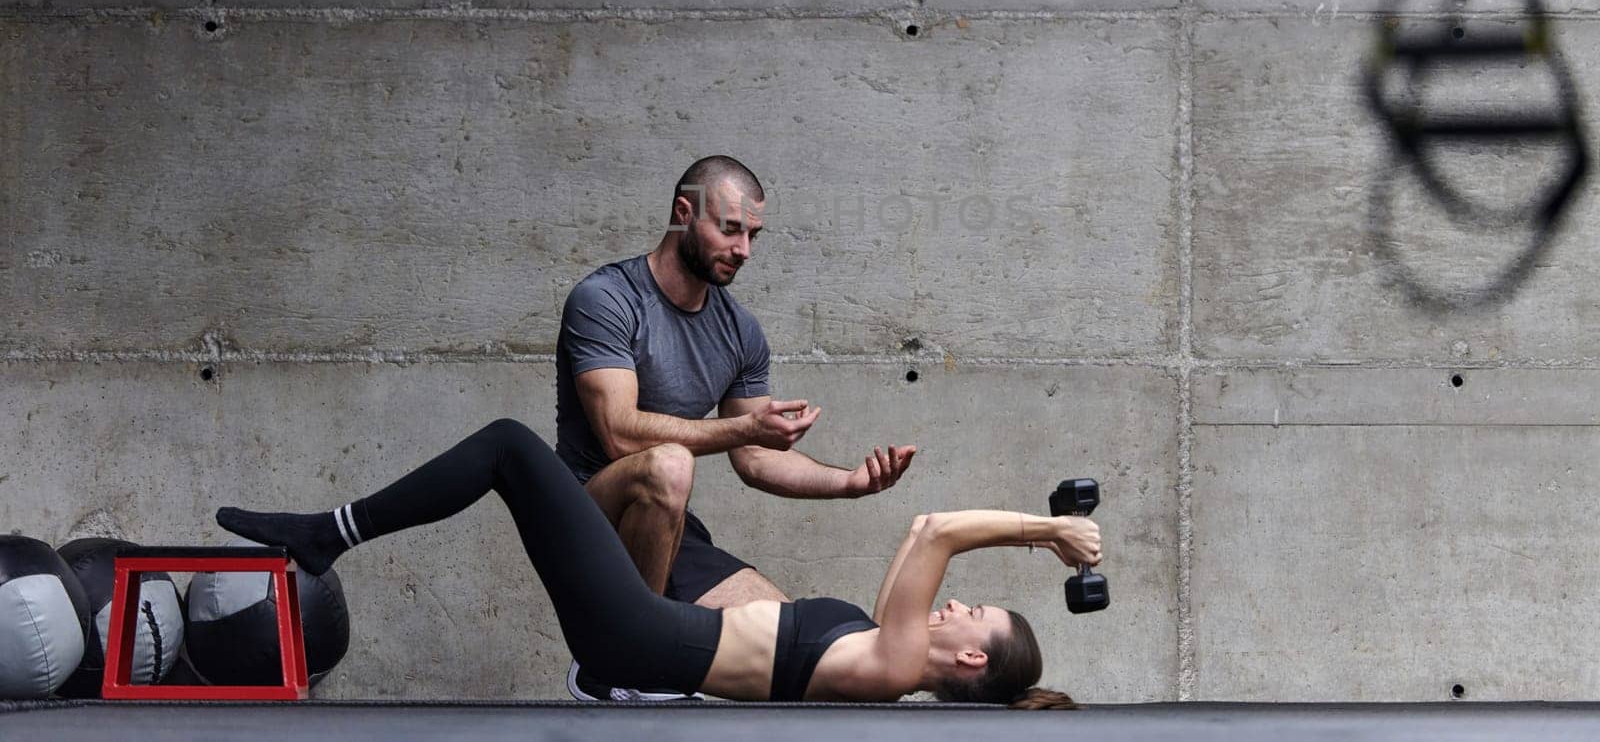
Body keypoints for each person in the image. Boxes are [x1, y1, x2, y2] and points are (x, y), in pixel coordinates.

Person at [217, 418, 1095, 706]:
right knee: (658, 492)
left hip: (638, 639)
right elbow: (918, 538)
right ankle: (332, 531)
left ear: (971, 658)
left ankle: (329, 531)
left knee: (509, 449)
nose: (954, 606)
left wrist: (1046, 532)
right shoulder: (879, 643)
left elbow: (936, 528)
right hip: (661, 624)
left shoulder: (897, 662)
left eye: (970, 614)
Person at [557, 155, 917, 620]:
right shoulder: (607, 299)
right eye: (729, 229)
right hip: (583, 513)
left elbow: (755, 458)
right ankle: (623, 664)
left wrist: (849, 483)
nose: (744, 249)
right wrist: (745, 428)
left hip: (666, 524)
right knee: (670, 464)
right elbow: (620, 434)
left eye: (752, 235)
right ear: (684, 214)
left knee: (790, 634)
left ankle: (642, 653)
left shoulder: (739, 331)